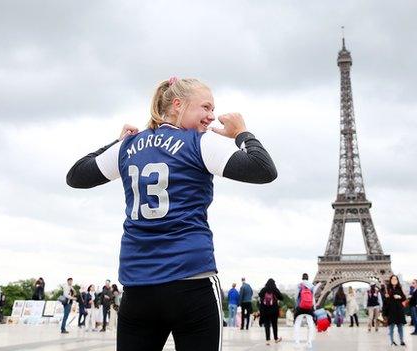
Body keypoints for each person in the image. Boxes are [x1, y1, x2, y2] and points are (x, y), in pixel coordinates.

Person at [66, 77, 277, 351]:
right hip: (191, 281)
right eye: (205, 107)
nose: (211, 115)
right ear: (178, 104)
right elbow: (263, 169)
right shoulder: (199, 143)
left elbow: (76, 176)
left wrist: (115, 143)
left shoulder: (129, 147)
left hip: (138, 285)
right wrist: (242, 133)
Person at [294, 273, 318, 348]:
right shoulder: (312, 286)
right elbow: (313, 298)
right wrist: (313, 307)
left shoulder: (299, 285)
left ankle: (297, 343)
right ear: (308, 278)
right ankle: (309, 342)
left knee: (297, 324)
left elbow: (296, 297)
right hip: (309, 308)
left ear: (302, 278)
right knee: (311, 325)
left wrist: (297, 306)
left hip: (300, 308)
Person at [258, 278, 283, 345]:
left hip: (265, 310)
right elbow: (281, 297)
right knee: (274, 325)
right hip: (274, 310)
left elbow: (260, 295)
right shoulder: (275, 289)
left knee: (267, 325)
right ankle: (276, 338)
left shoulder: (264, 289)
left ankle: (268, 340)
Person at [383, 275, 406, 347]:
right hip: (391, 310)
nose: (394, 280)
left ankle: (402, 341)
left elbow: (404, 298)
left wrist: (399, 297)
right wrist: (386, 297)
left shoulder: (399, 288)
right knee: (391, 327)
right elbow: (386, 302)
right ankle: (392, 341)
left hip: (399, 309)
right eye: (392, 279)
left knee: (400, 327)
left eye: (395, 279)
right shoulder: (388, 289)